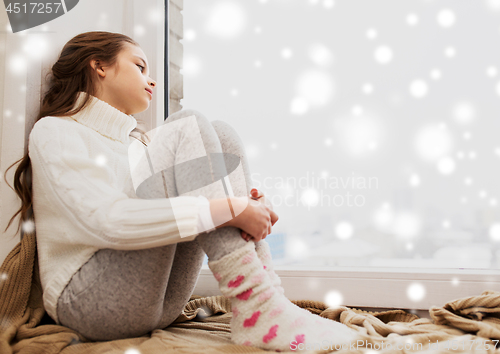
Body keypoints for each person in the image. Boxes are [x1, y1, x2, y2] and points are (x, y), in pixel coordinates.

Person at [4, 31, 359, 351]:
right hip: (89, 303)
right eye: (140, 67)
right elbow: (107, 222)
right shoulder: (56, 131)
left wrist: (237, 204)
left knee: (220, 134)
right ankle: (259, 304)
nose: (152, 80)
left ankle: (263, 299)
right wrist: (225, 209)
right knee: (185, 126)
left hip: (160, 302)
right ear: (99, 66)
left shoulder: (139, 147)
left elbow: (168, 212)